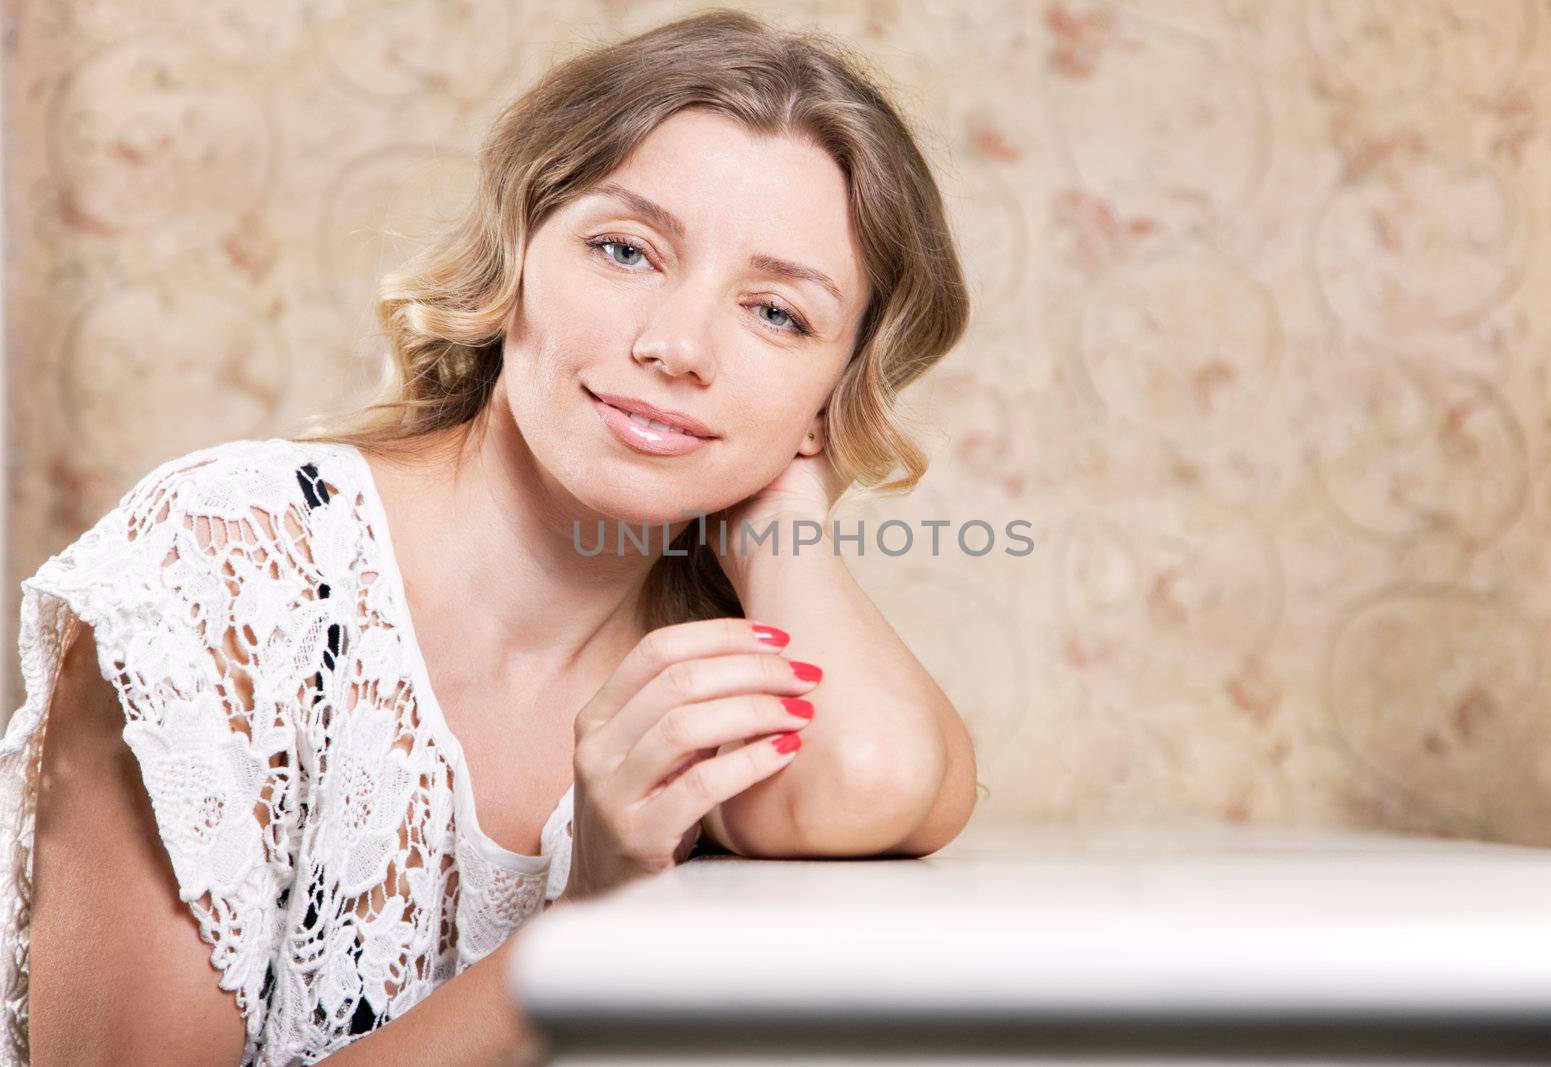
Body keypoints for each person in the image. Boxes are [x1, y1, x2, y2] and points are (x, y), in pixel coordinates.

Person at [0, 8, 977, 1066]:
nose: (677, 345)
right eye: (625, 249)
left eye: (778, 315)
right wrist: (584, 929)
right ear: (517, 252)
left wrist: (786, 518)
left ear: (834, 395)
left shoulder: (718, 646)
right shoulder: (226, 567)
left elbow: (874, 773)